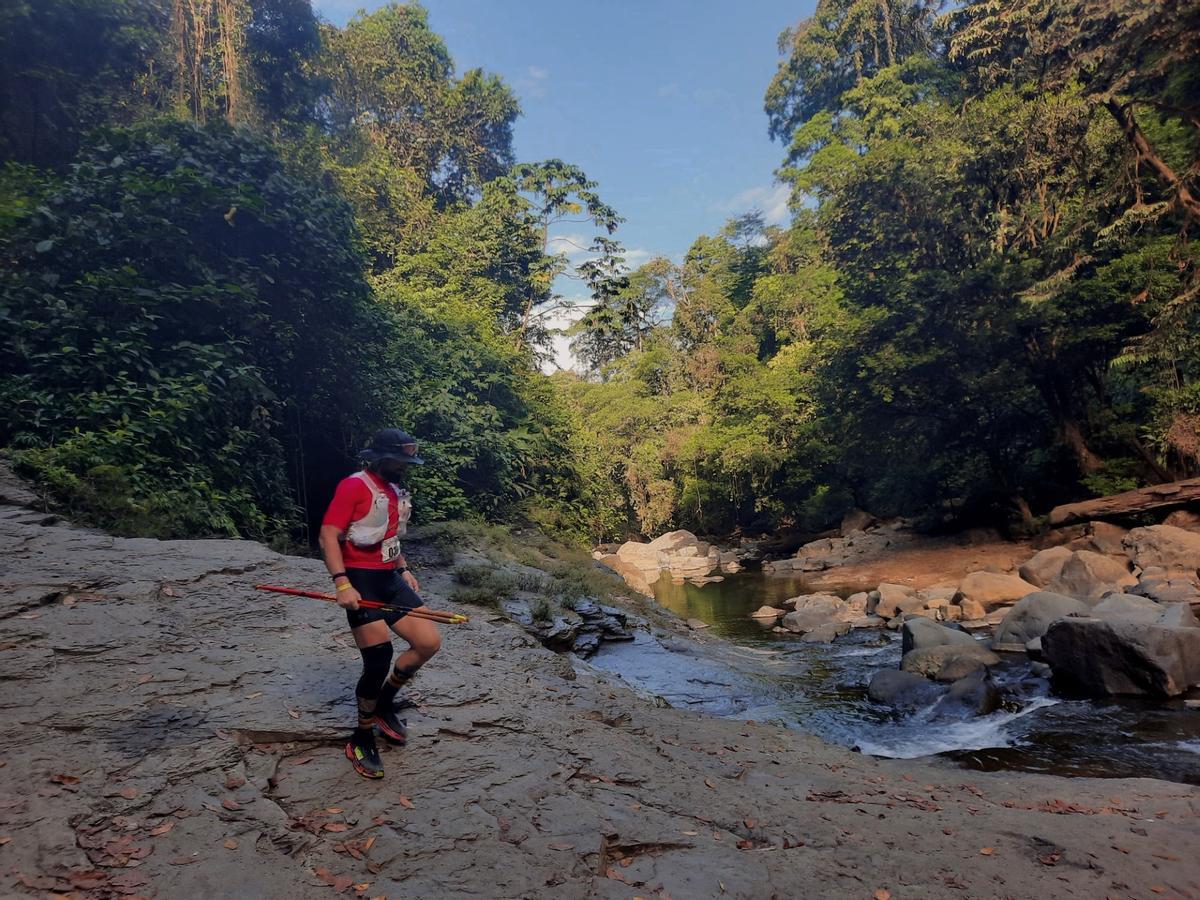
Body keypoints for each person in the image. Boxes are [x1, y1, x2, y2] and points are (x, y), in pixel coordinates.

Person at [319, 428, 441, 779]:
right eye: (398, 461)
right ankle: (361, 736)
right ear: (380, 458)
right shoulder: (354, 486)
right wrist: (342, 583)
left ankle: (384, 702)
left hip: (389, 579)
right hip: (360, 580)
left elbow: (388, 535)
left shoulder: (393, 489)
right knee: (378, 658)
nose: (404, 467)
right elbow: (328, 535)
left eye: (407, 462)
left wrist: (403, 568)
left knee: (428, 642)